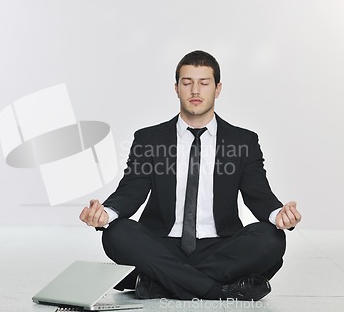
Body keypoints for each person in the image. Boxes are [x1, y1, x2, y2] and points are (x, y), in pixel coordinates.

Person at [79, 50, 301, 301]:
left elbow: (258, 195)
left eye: (204, 83)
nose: (195, 90)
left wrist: (279, 214)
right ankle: (220, 290)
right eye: (187, 83)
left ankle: (159, 283)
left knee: (271, 239)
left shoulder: (244, 141)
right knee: (116, 233)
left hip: (220, 246)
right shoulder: (149, 139)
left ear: (217, 88)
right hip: (162, 245)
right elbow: (132, 189)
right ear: (177, 88)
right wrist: (105, 213)